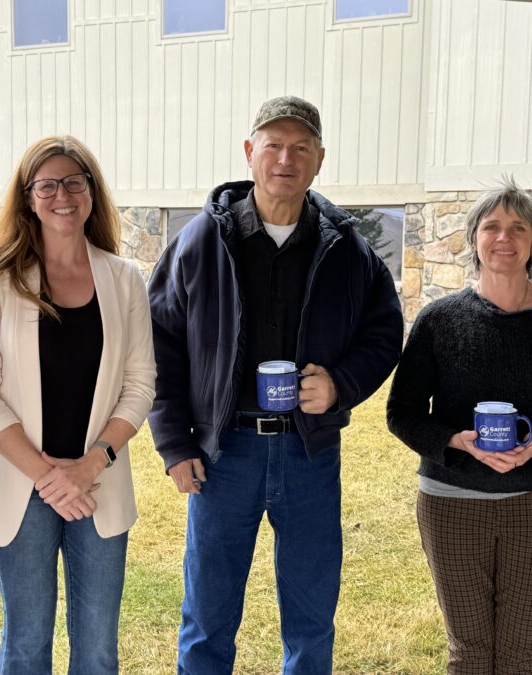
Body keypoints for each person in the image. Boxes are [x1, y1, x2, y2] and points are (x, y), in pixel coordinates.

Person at [148, 95, 403, 673]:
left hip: (309, 451)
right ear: (249, 152)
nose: (285, 158)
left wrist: (340, 384)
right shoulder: (199, 242)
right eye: (273, 145)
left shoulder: (348, 249)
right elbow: (159, 343)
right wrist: (175, 444)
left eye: (301, 148)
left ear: (318, 161)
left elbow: (385, 333)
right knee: (208, 616)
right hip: (223, 453)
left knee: (311, 616)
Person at [385, 178, 532, 674]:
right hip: (451, 505)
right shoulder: (439, 320)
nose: (503, 238)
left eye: (518, 228)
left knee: (519, 656)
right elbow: (402, 412)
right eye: (491, 226)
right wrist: (454, 441)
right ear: (474, 238)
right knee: (468, 654)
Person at [0, 135, 155, 674]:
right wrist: (48, 478)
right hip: (20, 487)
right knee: (26, 643)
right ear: (27, 198)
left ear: (92, 192)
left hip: (98, 484)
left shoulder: (124, 278)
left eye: (74, 181)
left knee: (97, 648)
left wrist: (91, 465)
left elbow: (140, 385)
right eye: (47, 184)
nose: (62, 194)